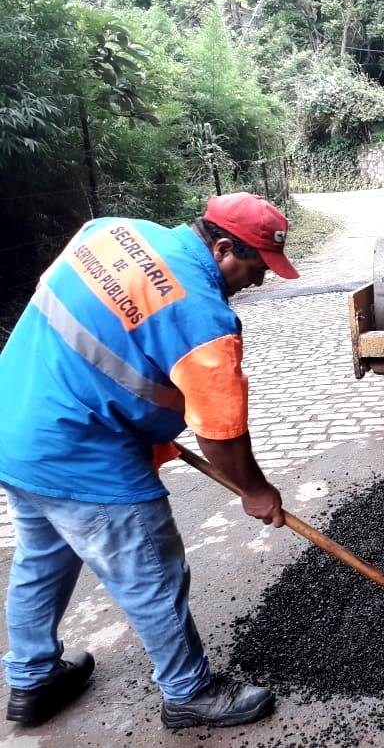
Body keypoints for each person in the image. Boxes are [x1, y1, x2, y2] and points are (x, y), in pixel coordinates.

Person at [0, 192, 298, 729]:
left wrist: (142, 417)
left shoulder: (115, 231)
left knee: (43, 557)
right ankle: (188, 692)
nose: (258, 281)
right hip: (80, 449)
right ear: (224, 245)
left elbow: (88, 316)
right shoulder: (204, 318)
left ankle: (32, 680)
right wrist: (257, 491)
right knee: (151, 572)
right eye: (256, 266)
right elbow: (222, 434)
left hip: (14, 423)